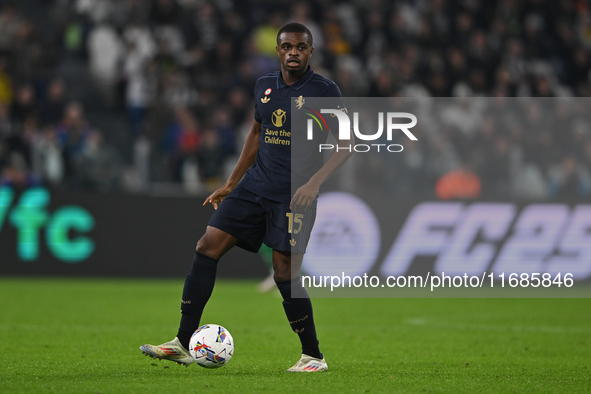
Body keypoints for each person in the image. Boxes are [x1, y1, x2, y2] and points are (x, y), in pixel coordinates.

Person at [140, 23, 352, 372]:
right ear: (278, 50)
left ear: (311, 52)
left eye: (301, 47)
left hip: (293, 196)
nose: (293, 52)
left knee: (284, 274)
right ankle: (182, 342)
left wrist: (314, 184)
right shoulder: (264, 86)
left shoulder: (325, 91)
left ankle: (313, 356)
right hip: (254, 187)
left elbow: (346, 145)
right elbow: (256, 132)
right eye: (287, 46)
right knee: (207, 246)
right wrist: (231, 182)